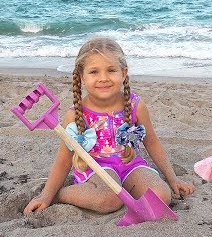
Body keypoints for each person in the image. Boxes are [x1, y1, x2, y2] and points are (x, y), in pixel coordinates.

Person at [23, 37, 195, 216]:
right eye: (94, 72)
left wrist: (172, 178)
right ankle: (62, 194)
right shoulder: (75, 115)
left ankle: (124, 187)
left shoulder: (136, 105)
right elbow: (64, 160)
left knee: (161, 195)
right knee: (110, 200)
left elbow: (152, 142)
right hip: (95, 169)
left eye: (111, 70)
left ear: (124, 72)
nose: (103, 78)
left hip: (130, 165)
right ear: (82, 77)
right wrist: (47, 195)